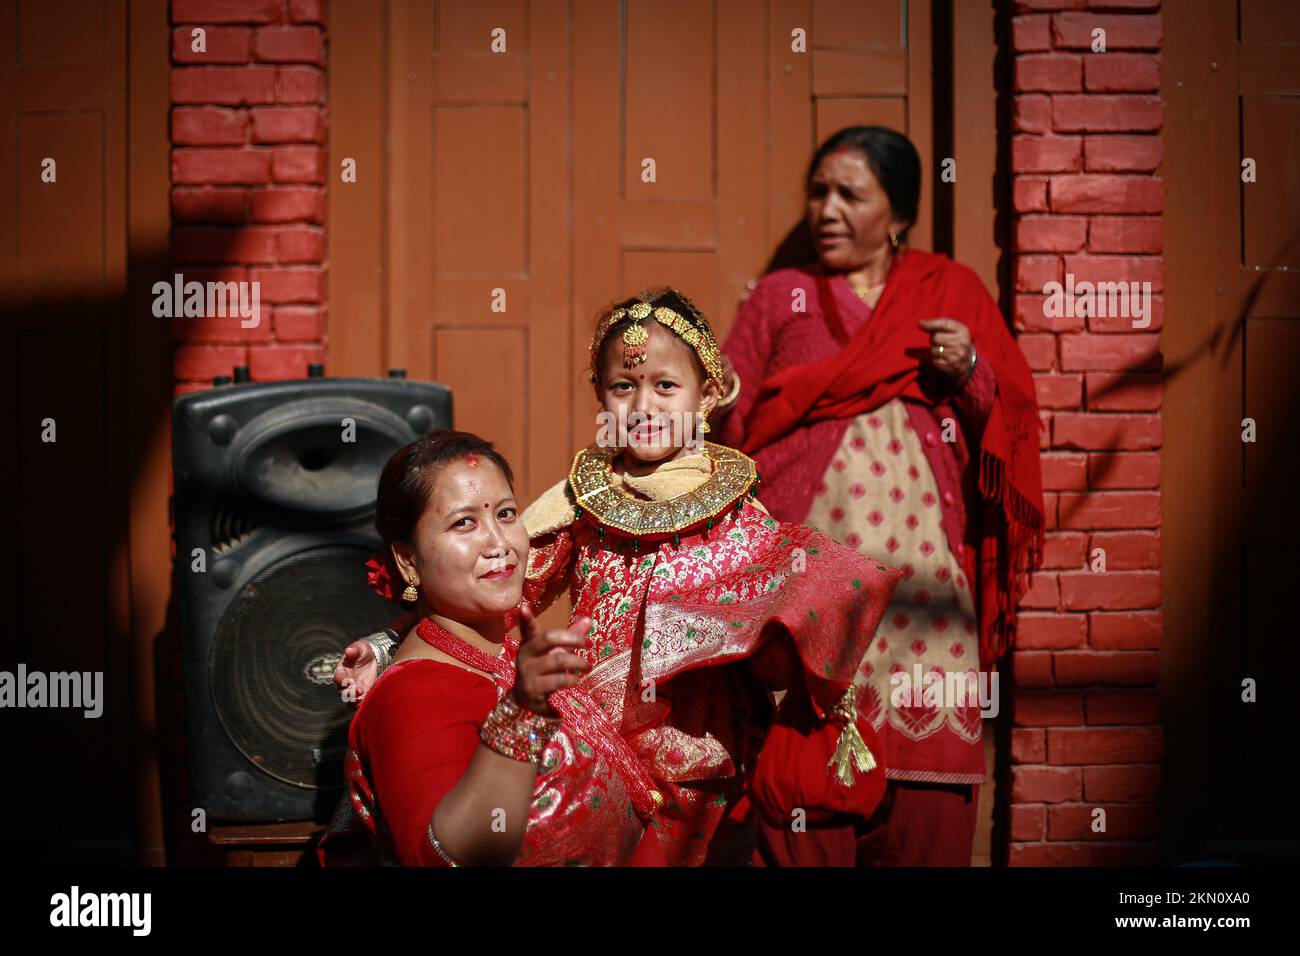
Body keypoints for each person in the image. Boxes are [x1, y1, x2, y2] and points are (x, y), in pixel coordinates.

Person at [336, 288, 902, 865]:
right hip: (599, 752)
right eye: (624, 388)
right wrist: (390, 647)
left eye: (665, 386)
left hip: (712, 761)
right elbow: (498, 592)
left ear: (706, 394)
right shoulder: (581, 502)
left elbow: (780, 637)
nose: (644, 407)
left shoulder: (740, 514)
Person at [713, 126, 1045, 866]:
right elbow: (730, 422)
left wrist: (967, 371)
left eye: (850, 195)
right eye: (819, 191)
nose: (825, 209)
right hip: (807, 592)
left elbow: (1011, 417)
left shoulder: (946, 291)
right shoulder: (781, 297)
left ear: (897, 217)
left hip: (925, 595)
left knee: (925, 818)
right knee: (801, 788)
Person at [319, 430, 665, 866]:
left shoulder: (494, 653)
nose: (499, 544)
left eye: (505, 514)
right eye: (464, 522)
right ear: (407, 560)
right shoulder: (412, 697)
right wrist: (521, 713)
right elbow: (441, 857)